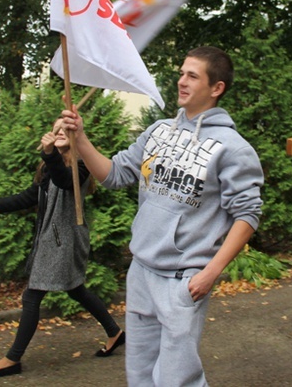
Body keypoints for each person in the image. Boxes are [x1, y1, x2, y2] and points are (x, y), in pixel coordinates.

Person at [62, 46, 263, 386]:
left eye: (192, 76)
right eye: (182, 73)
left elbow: (247, 216)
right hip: (141, 273)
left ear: (217, 88)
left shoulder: (234, 149)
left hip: (182, 282)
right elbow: (114, 174)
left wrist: (209, 274)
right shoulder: (158, 131)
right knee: (139, 375)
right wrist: (80, 139)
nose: (181, 81)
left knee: (176, 380)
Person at [0, 119, 124, 378]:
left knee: (32, 296)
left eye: (66, 129)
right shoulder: (49, 164)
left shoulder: (81, 165)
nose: (59, 133)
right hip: (52, 237)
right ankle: (115, 332)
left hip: (65, 239)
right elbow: (31, 195)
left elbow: (66, 182)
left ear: (75, 134)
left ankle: (13, 359)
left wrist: (50, 154)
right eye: (56, 129)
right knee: (76, 289)